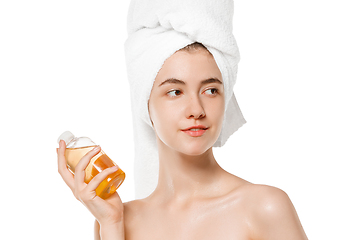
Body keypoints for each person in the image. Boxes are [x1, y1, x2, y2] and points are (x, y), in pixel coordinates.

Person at [57, 0, 308, 239]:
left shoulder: (264, 208)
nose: (196, 109)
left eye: (210, 90)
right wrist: (111, 224)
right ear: (145, 104)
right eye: (175, 92)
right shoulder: (120, 219)